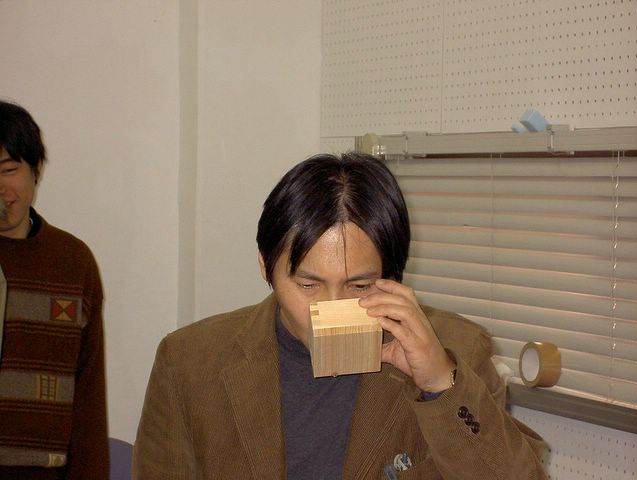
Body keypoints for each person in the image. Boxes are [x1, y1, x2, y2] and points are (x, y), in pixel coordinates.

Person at [134, 152, 547, 479]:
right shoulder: (189, 361)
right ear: (265, 267)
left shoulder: (459, 349)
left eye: (360, 286)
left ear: (392, 275)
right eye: (307, 285)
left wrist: (440, 384)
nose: (330, 308)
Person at [0, 100, 108, 479]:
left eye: (9, 170)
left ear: (36, 170)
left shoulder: (72, 263)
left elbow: (89, 393)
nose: (1, 189)